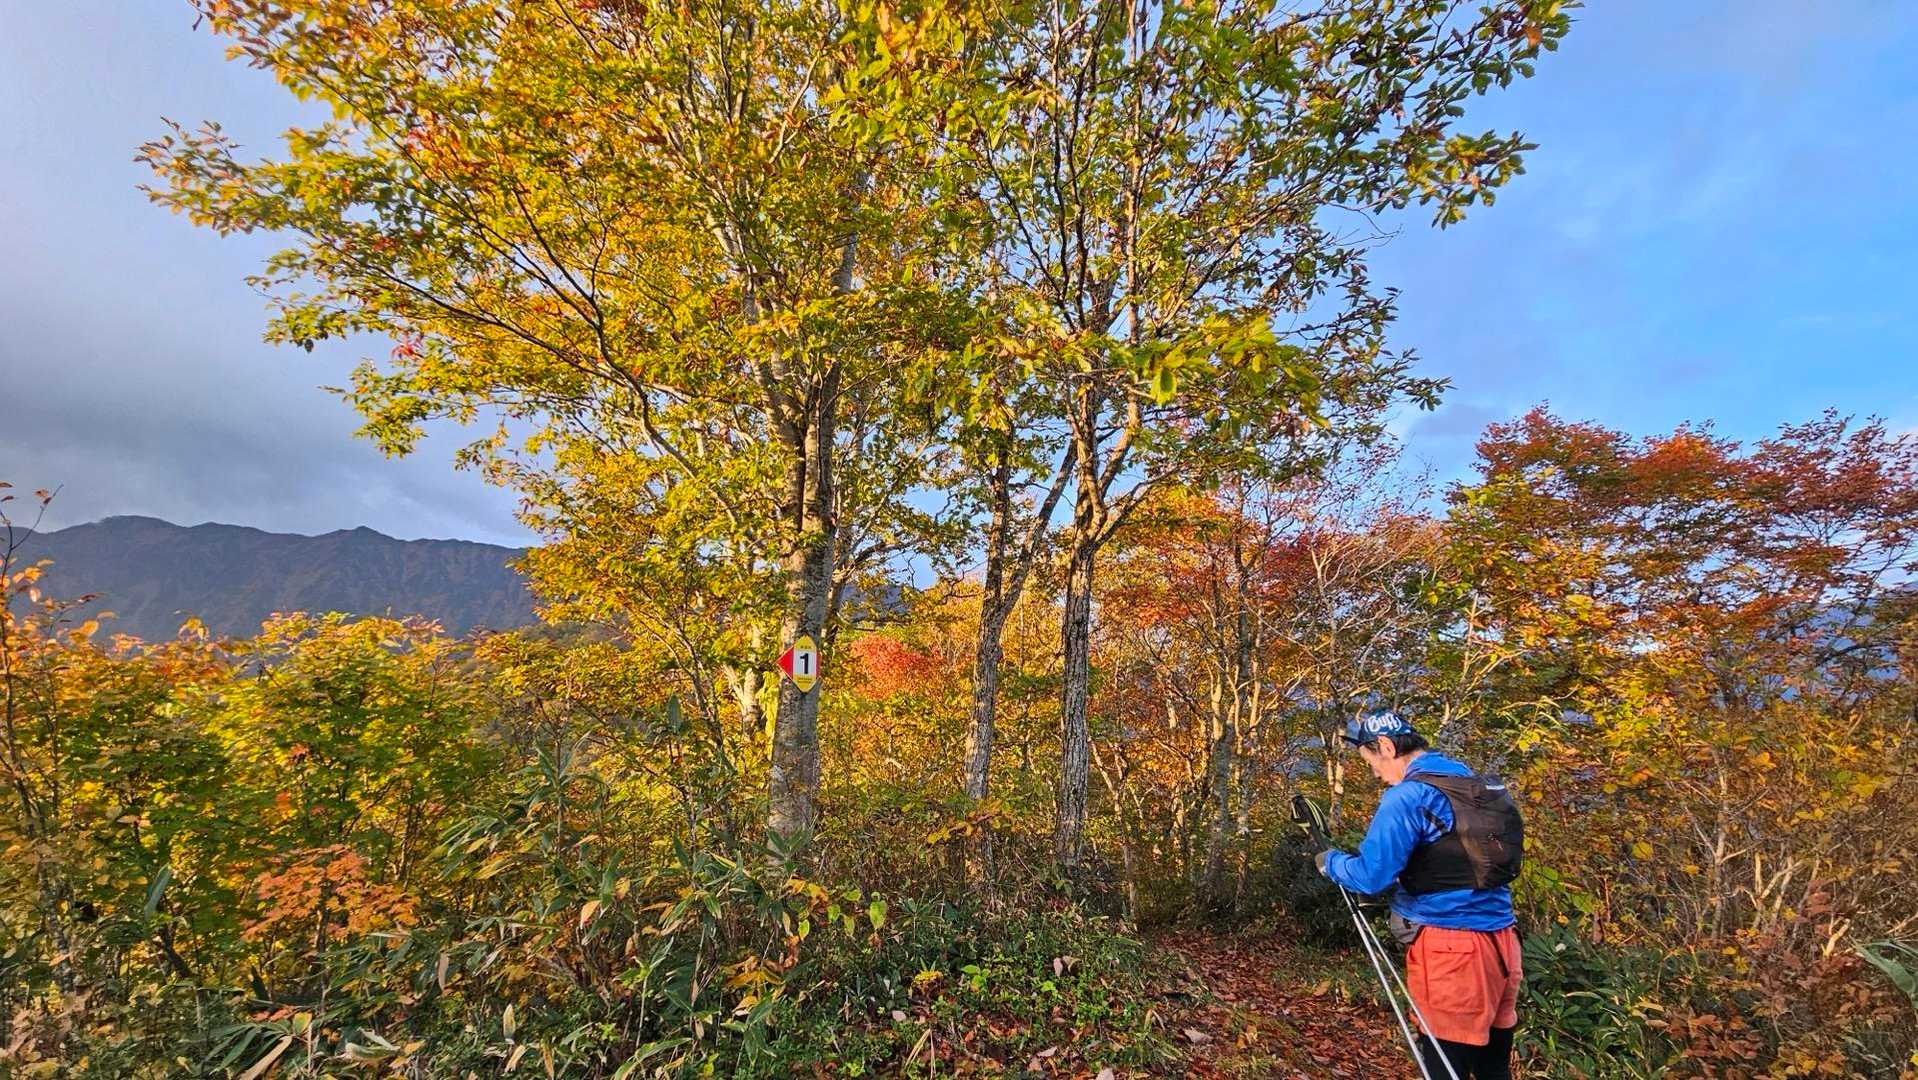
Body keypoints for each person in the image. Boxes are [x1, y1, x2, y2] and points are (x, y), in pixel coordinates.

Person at [1315, 710, 1524, 1080]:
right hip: (1504, 942)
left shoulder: (1408, 797)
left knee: (1444, 1067)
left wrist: (1330, 862)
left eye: (1371, 762)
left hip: (1452, 951)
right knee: (1493, 1068)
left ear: (1385, 746)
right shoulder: (1465, 781)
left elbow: (1371, 875)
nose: (1375, 774)